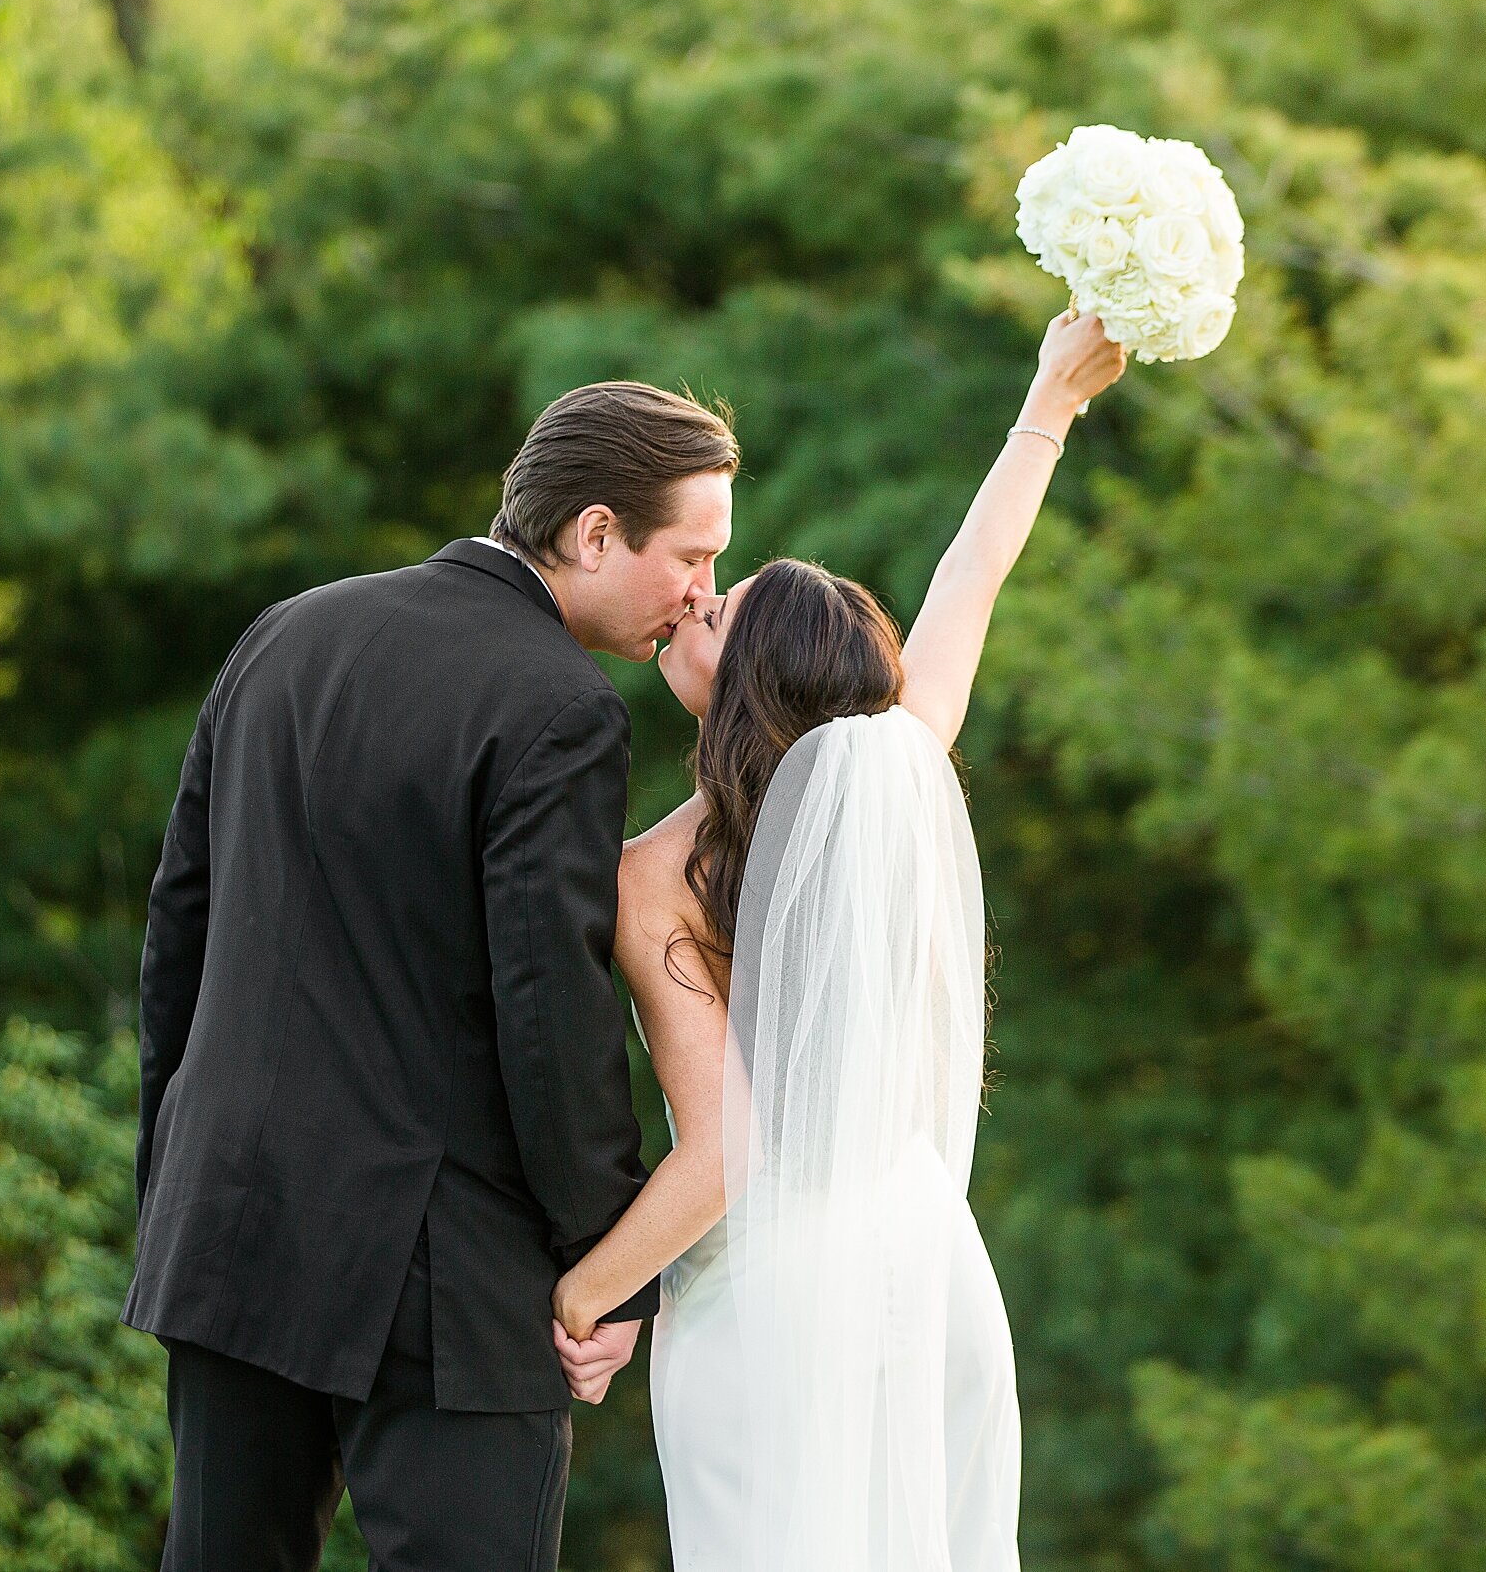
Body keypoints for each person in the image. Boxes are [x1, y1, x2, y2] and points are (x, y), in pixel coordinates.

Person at [123, 379, 737, 1572]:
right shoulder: (560, 705)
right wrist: (605, 1265)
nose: (703, 592)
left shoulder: (286, 630)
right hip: (444, 1274)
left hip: (227, 1225)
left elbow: (177, 932)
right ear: (595, 530)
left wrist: (174, 1180)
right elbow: (549, 1012)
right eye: (693, 554)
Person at [550, 308, 1129, 1568]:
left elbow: (727, 1151)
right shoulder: (901, 757)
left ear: (742, 678)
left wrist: (587, 1295)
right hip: (931, 1274)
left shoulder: (655, 878)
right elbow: (972, 577)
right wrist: (1050, 401)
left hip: (774, 1307)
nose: (694, 599)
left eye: (718, 607)